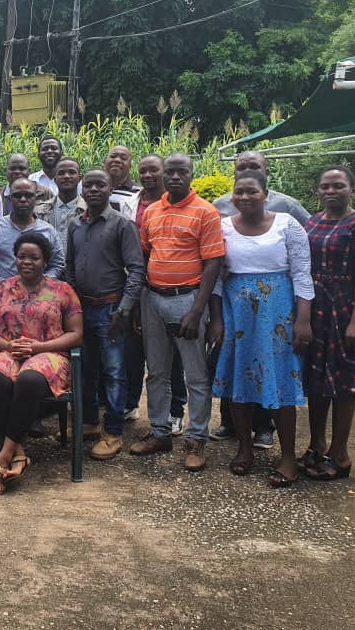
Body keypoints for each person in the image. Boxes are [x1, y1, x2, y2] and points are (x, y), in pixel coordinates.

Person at [208, 170, 314, 486]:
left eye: (252, 191)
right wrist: (216, 320)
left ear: (265, 194)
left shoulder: (287, 225)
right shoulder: (222, 227)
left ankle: (288, 457)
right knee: (239, 379)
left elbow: (302, 274)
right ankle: (244, 448)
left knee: (280, 381)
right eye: (238, 192)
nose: (244, 197)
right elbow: (214, 277)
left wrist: (303, 319)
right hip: (236, 313)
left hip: (278, 315)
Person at [130, 153, 224, 472]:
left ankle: (197, 438)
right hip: (152, 298)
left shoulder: (206, 212)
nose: (173, 177)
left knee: (195, 375)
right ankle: (160, 431)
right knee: (156, 371)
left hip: (188, 299)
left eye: (180, 172)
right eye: (169, 172)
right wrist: (141, 300)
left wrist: (198, 311)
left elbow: (213, 263)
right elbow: (145, 253)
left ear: (191, 174)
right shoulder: (153, 211)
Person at [0, 232, 83, 495]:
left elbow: (76, 333)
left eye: (34, 257)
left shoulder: (62, 290)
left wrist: (39, 347)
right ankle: (19, 451)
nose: (27, 262)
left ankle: (4, 455)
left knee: (29, 379)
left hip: (49, 353)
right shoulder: (0, 289)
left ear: (45, 260)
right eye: (22, 256)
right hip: (10, 351)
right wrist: (6, 345)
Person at [300, 166, 355, 482]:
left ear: (352, 190)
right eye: (325, 186)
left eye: (338, 185)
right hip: (315, 308)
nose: (331, 191)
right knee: (316, 382)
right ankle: (316, 444)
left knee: (343, 384)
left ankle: (340, 453)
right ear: (318, 191)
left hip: (344, 310)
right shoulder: (312, 221)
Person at [65, 170, 145, 461]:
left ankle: (113, 432)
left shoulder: (122, 225)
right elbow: (70, 268)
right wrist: (72, 305)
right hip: (82, 309)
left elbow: (136, 269)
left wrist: (124, 309)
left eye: (101, 184)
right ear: (82, 189)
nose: (95, 189)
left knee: (113, 372)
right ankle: (89, 422)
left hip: (112, 309)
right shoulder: (75, 225)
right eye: (89, 185)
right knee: (85, 369)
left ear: (111, 188)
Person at [119, 154, 188, 431]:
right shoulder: (131, 203)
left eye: (153, 171)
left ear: (164, 173)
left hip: (170, 286)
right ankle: (130, 403)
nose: (148, 176)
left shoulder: (172, 205)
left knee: (172, 353)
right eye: (143, 171)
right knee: (133, 349)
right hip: (136, 283)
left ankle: (176, 409)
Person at [0, 177, 65, 296]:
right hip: (3, 295)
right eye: (17, 195)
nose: (23, 199)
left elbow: (57, 263)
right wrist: (0, 284)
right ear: (10, 198)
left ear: (35, 198)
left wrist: (41, 284)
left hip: (40, 296)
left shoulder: (48, 231)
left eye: (28, 195)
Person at [35, 157, 86, 250]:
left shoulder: (89, 211)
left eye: (72, 172)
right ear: (55, 179)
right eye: (61, 173)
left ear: (79, 178)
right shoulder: (39, 211)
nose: (66, 176)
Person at [104, 145, 140, 212]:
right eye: (113, 156)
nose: (117, 160)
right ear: (104, 162)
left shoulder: (139, 193)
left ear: (130, 166)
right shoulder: (90, 188)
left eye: (123, 158)